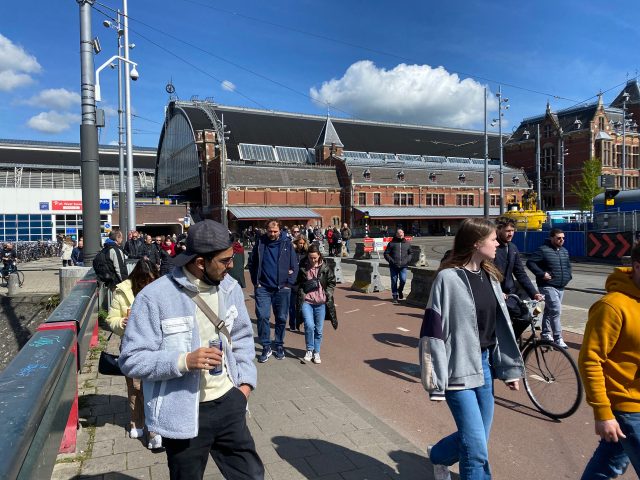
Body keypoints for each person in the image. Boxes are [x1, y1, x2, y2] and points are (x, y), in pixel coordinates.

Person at [119, 219, 264, 480]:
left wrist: (244, 387)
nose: (231, 266)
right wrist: (183, 361)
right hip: (183, 415)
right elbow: (130, 359)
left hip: (229, 402)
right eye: (225, 261)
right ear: (200, 262)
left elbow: (242, 337)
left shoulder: (229, 287)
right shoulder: (155, 297)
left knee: (251, 475)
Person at [420, 218, 524, 480]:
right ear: (477, 244)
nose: (498, 243)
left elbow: (499, 327)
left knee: (476, 439)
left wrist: (509, 369)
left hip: (485, 368)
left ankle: (438, 456)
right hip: (458, 371)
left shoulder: (491, 276)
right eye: (493, 239)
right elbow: (432, 331)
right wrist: (435, 381)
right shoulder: (447, 278)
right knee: (476, 447)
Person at [578, 243, 640, 479]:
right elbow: (590, 360)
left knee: (607, 466)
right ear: (636, 266)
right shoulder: (612, 307)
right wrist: (603, 413)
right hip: (629, 407)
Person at [106, 259, 160, 448]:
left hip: (156, 345)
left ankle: (155, 429)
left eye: (151, 280)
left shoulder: (161, 289)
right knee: (135, 387)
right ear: (137, 279)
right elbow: (111, 319)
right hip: (132, 346)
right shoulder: (122, 291)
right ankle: (137, 422)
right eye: (144, 281)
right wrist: (121, 323)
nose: (147, 285)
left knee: (154, 387)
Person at [248, 219, 298, 363]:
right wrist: (255, 282)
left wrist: (289, 283)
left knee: (281, 318)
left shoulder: (287, 243)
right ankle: (266, 345)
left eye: (275, 231)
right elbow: (252, 263)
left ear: (280, 230)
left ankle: (279, 344)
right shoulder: (261, 242)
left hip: (282, 288)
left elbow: (294, 265)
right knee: (263, 316)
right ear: (266, 230)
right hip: (263, 287)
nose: (272, 233)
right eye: (270, 231)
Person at [526, 228, 572, 349]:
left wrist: (568, 276)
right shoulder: (543, 250)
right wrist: (542, 274)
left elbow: (568, 265)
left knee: (549, 310)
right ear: (551, 238)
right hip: (547, 286)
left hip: (561, 286)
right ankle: (558, 338)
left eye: (563, 238)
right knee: (556, 310)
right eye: (558, 238)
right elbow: (530, 263)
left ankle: (545, 333)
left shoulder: (564, 251)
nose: (561, 240)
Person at [295, 244, 337, 364]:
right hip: (307, 301)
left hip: (320, 303)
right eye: (310, 258)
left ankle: (316, 352)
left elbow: (331, 282)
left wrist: (327, 294)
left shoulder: (325, 268)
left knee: (318, 330)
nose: (313, 260)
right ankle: (309, 349)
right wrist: (300, 290)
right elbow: (298, 282)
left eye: (315, 258)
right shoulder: (303, 267)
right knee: (309, 325)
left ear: (319, 255)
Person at [494, 216, 543, 301]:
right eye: (508, 231)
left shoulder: (513, 248)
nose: (511, 234)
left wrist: (534, 293)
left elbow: (520, 273)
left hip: (510, 294)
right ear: (498, 230)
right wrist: (497, 292)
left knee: (522, 312)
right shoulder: (492, 247)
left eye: (512, 231)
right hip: (496, 294)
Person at [383, 229, 412, 304]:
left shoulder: (407, 243)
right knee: (394, 280)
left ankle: (400, 290)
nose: (401, 234)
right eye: (399, 233)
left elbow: (411, 253)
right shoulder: (391, 243)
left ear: (403, 234)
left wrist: (407, 260)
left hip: (403, 266)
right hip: (393, 266)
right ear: (396, 234)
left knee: (403, 280)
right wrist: (391, 261)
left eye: (402, 232)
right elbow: (386, 253)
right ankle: (395, 296)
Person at [288, 236, 309, 331]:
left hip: (303, 282)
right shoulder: (292, 252)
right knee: (292, 305)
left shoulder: (307, 253)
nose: (301, 245)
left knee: (303, 305)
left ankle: (302, 323)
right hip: (293, 282)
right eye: (299, 243)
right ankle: (292, 324)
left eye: (303, 243)